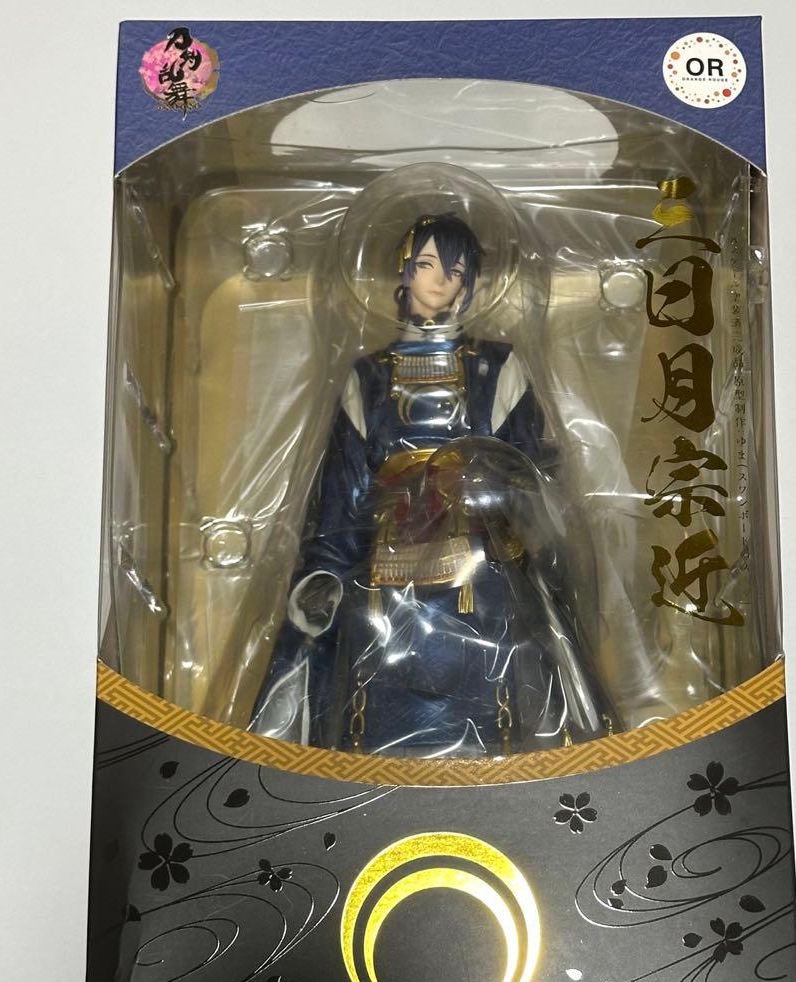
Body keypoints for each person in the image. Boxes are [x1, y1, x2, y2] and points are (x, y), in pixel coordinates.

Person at [250, 212, 613, 755]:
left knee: (501, 685)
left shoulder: (500, 368)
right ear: (403, 273)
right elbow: (344, 494)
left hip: (481, 571)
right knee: (368, 689)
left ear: (470, 285)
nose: (440, 280)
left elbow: (531, 478)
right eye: (426, 265)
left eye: (455, 270)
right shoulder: (368, 377)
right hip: (386, 579)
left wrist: (516, 516)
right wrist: (322, 573)